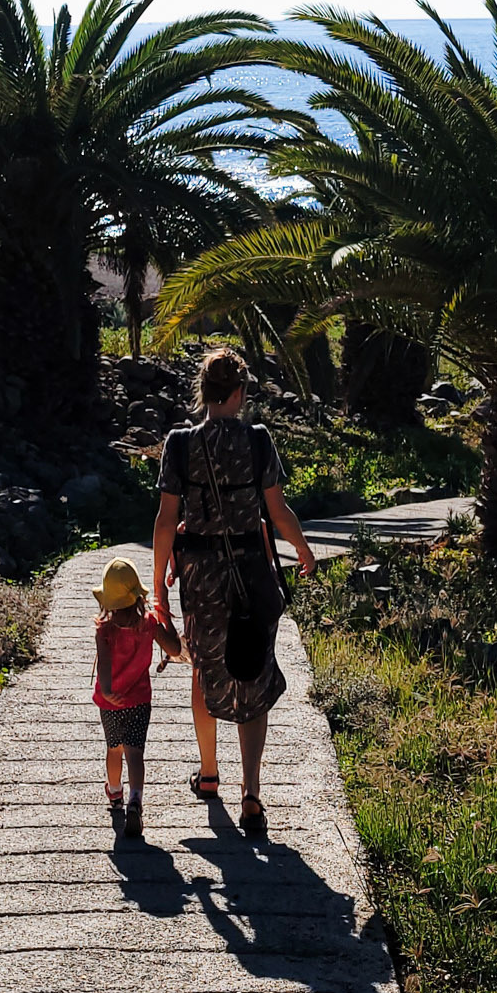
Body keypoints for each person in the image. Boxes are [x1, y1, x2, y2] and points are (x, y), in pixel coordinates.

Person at [151, 346, 318, 837]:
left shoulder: (179, 444)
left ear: (204, 392)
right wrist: (303, 551)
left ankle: (208, 775)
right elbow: (279, 511)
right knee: (253, 672)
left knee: (205, 667)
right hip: (251, 572)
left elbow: (165, 520)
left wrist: (160, 582)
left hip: (200, 575)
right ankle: (251, 794)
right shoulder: (259, 441)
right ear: (241, 392)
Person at [91, 555, 180, 839]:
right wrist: (165, 618)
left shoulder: (104, 630)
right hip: (140, 700)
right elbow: (176, 650)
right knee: (135, 752)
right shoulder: (149, 624)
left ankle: (115, 792)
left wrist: (107, 690)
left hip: (111, 703)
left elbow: (104, 665)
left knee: (114, 749)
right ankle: (135, 800)